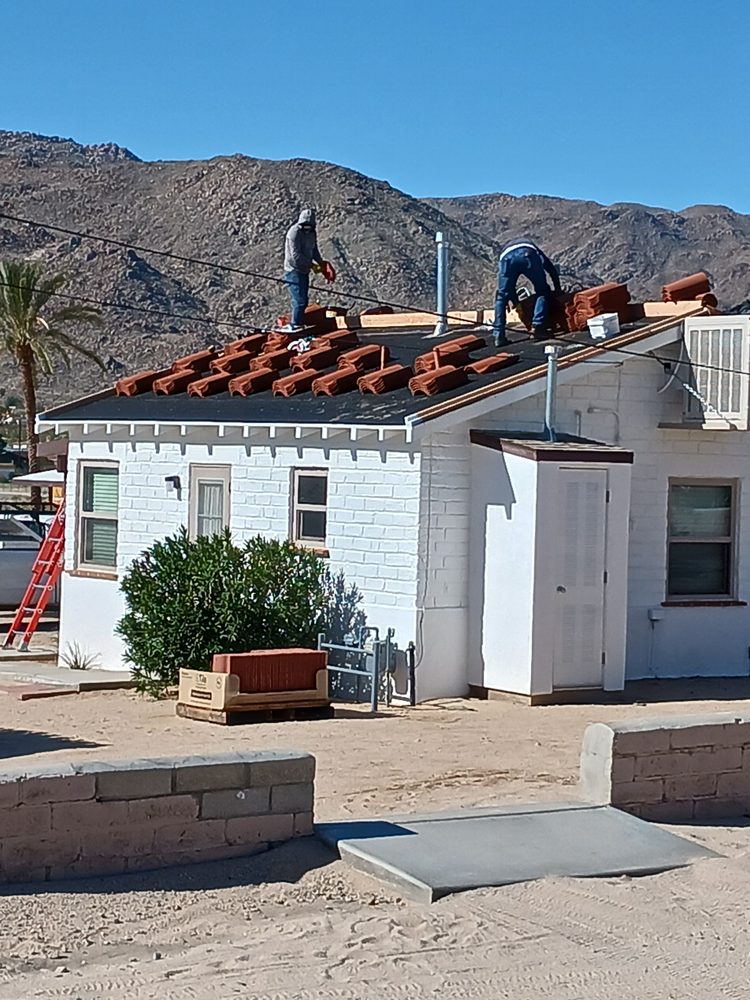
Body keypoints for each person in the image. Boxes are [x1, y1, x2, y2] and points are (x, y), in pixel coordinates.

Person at [491, 238, 561, 347]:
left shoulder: (504, 252)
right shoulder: (534, 249)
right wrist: (558, 289)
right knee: (542, 291)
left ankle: (499, 335)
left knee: (501, 297)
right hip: (527, 254)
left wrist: (515, 301)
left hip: (506, 260)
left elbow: (509, 290)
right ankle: (538, 327)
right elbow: (550, 268)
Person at [282, 208, 334, 331]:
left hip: (305, 271)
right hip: (293, 271)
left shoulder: (312, 233)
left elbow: (314, 250)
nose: (307, 229)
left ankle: (299, 323)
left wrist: (322, 264)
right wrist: (312, 266)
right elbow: (294, 257)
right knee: (299, 300)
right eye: (305, 226)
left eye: (309, 226)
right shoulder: (294, 233)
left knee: (304, 300)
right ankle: (295, 325)